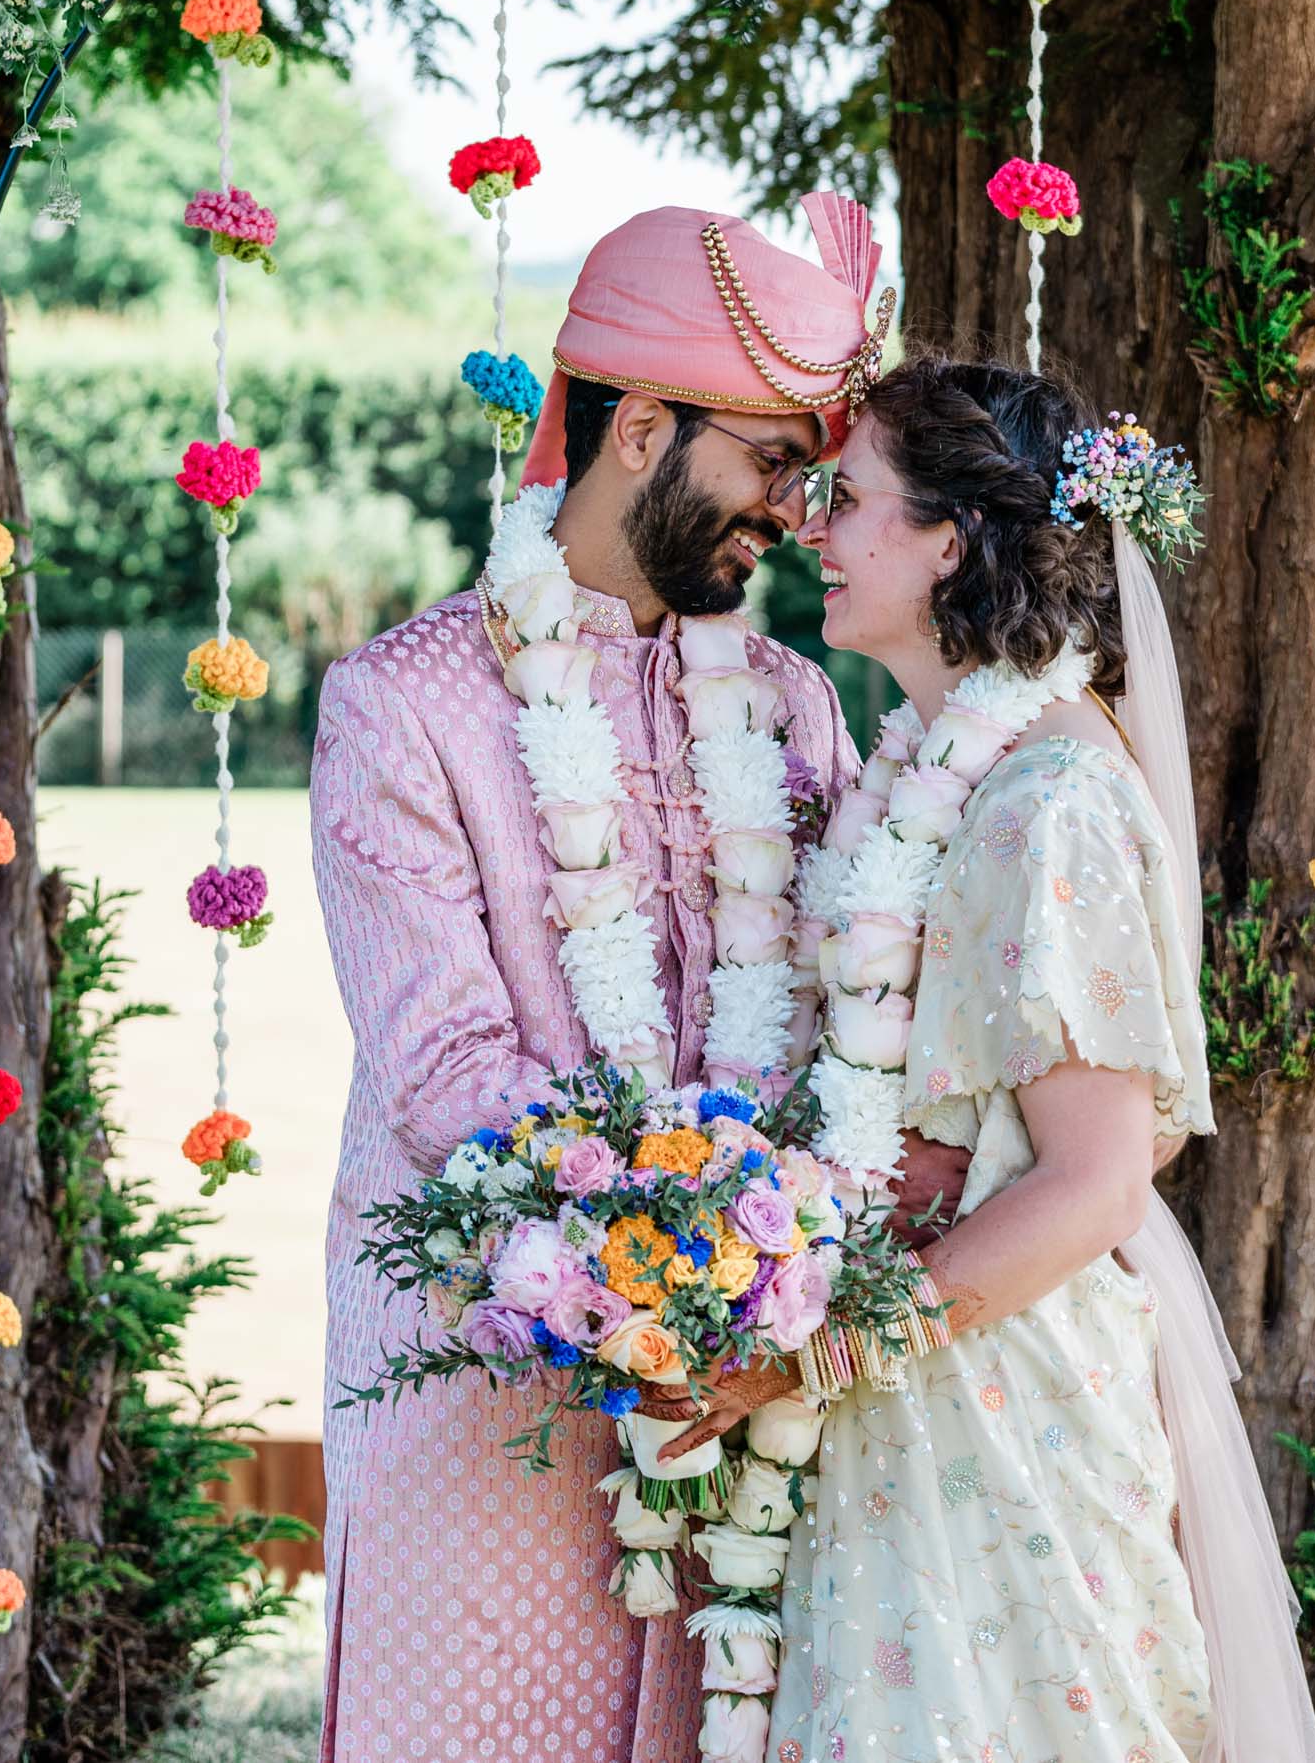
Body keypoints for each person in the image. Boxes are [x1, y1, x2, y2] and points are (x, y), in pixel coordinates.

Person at [308, 197, 975, 1763]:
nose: (794, 513)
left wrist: (768, 1298)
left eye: (817, 477)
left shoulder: (801, 707)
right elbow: (445, 1073)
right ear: (642, 432)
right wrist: (678, 1281)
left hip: (759, 1380)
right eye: (768, 463)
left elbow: (844, 1025)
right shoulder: (407, 707)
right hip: (495, 1376)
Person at [658, 358, 1315, 1763]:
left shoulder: (1050, 798)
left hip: (1006, 1425)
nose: (814, 530)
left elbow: (1096, 1181)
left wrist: (812, 1355)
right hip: (913, 1409)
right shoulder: (922, 763)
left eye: (851, 501)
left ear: (952, 542)